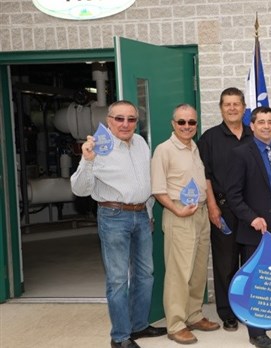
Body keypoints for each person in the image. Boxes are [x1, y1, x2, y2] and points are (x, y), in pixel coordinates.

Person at [70, 100, 166, 348]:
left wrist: (149, 213)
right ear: (109, 120)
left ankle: (139, 326)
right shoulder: (98, 148)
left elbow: (145, 181)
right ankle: (120, 337)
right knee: (118, 280)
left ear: (137, 122)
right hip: (114, 217)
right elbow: (79, 190)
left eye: (131, 119)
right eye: (119, 118)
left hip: (142, 215)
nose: (125, 124)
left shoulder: (141, 144)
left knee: (145, 275)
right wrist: (87, 160)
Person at [226, 106, 271, 348]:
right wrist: (251, 218)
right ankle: (256, 332)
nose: (266, 126)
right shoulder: (240, 153)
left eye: (270, 122)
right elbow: (233, 195)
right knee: (256, 279)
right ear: (252, 126)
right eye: (261, 122)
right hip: (255, 226)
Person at [151, 104, 220, 345]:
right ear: (173, 124)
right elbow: (159, 190)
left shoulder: (195, 149)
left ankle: (193, 315)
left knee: (198, 269)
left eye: (192, 122)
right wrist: (177, 210)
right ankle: (176, 324)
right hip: (179, 215)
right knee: (179, 272)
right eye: (182, 122)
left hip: (200, 213)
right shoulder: (164, 150)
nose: (187, 127)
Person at [197, 87, 254, 332]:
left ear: (243, 107)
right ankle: (228, 312)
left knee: (251, 262)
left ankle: (250, 309)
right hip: (223, 209)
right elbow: (204, 175)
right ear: (221, 108)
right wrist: (211, 205)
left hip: (252, 211)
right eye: (227, 104)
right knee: (225, 263)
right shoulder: (209, 138)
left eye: (236, 104)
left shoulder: (255, 134)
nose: (232, 108)